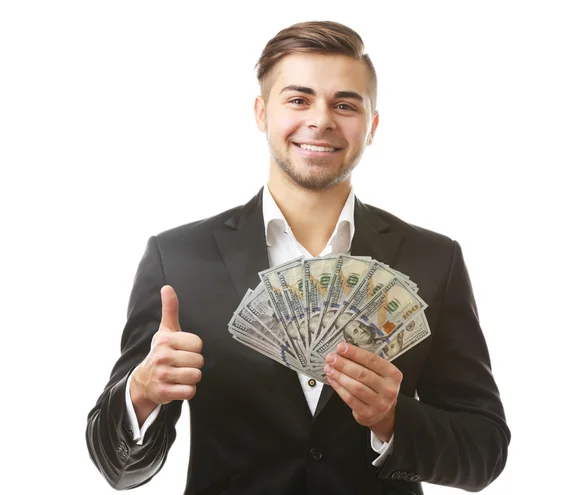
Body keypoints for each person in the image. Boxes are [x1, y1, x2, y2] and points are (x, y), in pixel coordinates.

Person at [86, 21, 510, 495]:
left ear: (371, 126)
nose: (321, 120)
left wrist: (394, 419)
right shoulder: (177, 259)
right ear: (261, 112)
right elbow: (118, 469)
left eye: (345, 104)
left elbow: (485, 451)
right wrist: (139, 395)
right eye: (298, 99)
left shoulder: (434, 260)